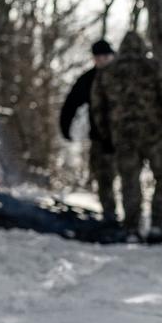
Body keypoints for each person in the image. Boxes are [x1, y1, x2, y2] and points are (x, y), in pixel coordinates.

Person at [90, 31, 162, 243]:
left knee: (129, 181)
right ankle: (156, 226)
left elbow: (97, 108)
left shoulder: (108, 72)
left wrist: (106, 135)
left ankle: (131, 229)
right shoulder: (153, 67)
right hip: (154, 133)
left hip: (123, 136)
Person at [59, 39, 118, 221]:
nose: (101, 61)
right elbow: (71, 104)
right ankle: (110, 215)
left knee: (129, 177)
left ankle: (132, 220)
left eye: (105, 57)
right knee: (103, 177)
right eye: (98, 58)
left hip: (126, 139)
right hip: (100, 138)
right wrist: (65, 127)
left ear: (112, 56)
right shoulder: (89, 79)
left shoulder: (125, 76)